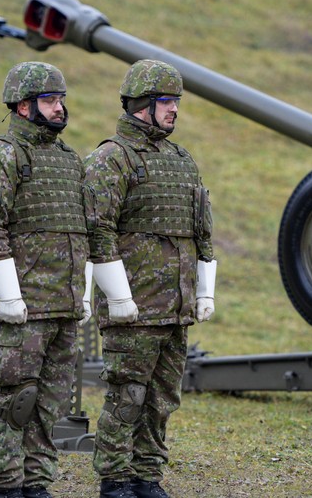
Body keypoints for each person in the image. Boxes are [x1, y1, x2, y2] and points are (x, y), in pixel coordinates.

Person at [84, 59, 217, 498]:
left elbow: (201, 231)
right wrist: (118, 297)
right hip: (135, 307)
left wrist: (203, 290)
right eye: (167, 102)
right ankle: (115, 478)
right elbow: (97, 230)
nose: (175, 110)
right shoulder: (111, 158)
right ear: (142, 105)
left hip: (174, 307)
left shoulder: (181, 160)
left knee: (162, 398)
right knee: (127, 395)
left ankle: (147, 475)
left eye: (177, 101)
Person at [0, 61, 91, 498]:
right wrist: (8, 294)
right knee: (16, 400)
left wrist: (85, 291)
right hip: (25, 306)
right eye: (50, 100)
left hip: (65, 304)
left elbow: (84, 229)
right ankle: (7, 483)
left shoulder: (69, 160)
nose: (60, 108)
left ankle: (37, 484)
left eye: (61, 100)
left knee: (50, 404)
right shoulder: (0, 155)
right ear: (23, 105)